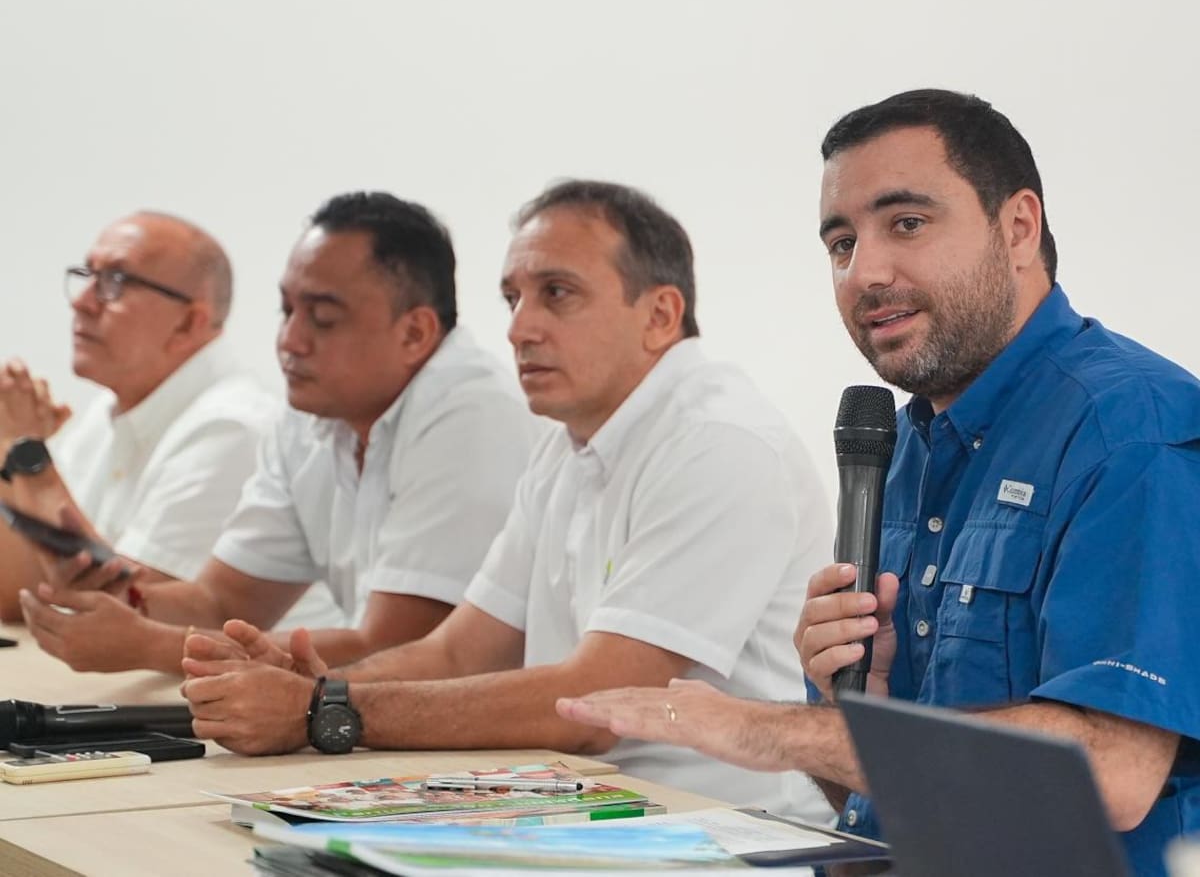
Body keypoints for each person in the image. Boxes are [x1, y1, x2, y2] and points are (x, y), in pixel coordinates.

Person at [558, 90, 1200, 875]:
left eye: (907, 223)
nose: (865, 273)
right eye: (840, 243)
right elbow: (863, 805)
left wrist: (771, 731)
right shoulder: (897, 448)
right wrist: (850, 708)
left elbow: (1114, 772)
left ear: (1019, 228)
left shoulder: (1128, 431)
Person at [179, 180, 834, 822]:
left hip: (723, 837)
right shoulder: (568, 447)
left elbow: (595, 705)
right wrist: (318, 692)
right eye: (512, 298)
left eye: (557, 294)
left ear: (659, 316)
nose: (520, 328)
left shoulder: (718, 443)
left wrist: (322, 709)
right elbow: (457, 653)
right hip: (583, 813)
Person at [21, 192, 537, 674]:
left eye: (323, 319)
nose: (290, 341)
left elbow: (400, 651)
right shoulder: (310, 416)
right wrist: (120, 598)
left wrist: (147, 645)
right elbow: (221, 602)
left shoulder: (471, 415)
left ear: (415, 333)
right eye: (286, 310)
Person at [0, 211, 335, 632]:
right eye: (87, 273)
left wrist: (26, 451)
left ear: (189, 321)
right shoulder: (106, 412)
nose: (82, 300)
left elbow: (122, 614)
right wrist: (5, 444)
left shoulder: (233, 427)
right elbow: (18, 596)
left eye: (116, 281)